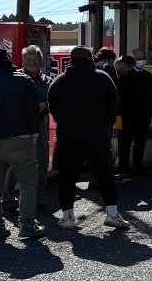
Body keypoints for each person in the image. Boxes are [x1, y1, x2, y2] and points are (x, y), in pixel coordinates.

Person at [49, 46, 129, 231]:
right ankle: (112, 214)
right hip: (97, 135)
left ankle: (68, 217)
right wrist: (105, 126)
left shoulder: (60, 80)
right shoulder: (103, 78)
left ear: (71, 59)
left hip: (68, 136)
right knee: (105, 175)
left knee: (67, 177)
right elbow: (114, 105)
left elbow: (54, 109)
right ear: (90, 58)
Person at [0, 47, 46, 241]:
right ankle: (27, 224)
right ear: (8, 59)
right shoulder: (23, 80)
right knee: (28, 183)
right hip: (21, 138)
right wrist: (33, 133)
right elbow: (33, 111)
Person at [2, 45, 52, 216]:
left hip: (40, 125)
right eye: (28, 60)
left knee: (42, 163)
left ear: (40, 60)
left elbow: (55, 101)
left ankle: (39, 199)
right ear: (22, 61)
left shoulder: (47, 80)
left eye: (35, 60)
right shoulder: (14, 78)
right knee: (13, 163)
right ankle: (7, 200)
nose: (32, 63)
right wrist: (29, 108)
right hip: (18, 126)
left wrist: (45, 105)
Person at [115, 55, 152, 176]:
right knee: (139, 143)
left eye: (119, 64)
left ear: (126, 65)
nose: (117, 66)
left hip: (129, 115)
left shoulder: (122, 78)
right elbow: (149, 97)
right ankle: (137, 167)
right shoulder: (146, 76)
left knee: (125, 143)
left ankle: (124, 167)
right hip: (143, 115)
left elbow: (120, 99)